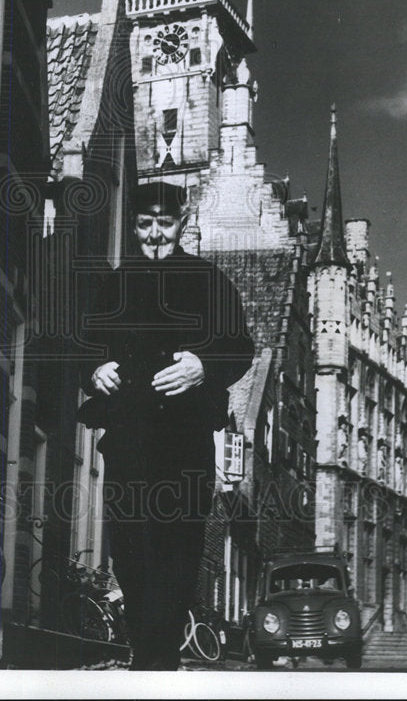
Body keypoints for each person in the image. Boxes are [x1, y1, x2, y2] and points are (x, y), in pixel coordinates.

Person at [78, 182, 254, 670]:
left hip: (183, 443)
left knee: (177, 552)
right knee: (131, 551)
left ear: (182, 222)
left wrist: (204, 366)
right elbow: (83, 345)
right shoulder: (114, 283)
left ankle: (155, 665)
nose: (154, 235)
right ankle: (148, 654)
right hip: (128, 441)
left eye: (165, 223)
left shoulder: (208, 280)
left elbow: (240, 345)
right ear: (134, 225)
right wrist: (93, 371)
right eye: (144, 224)